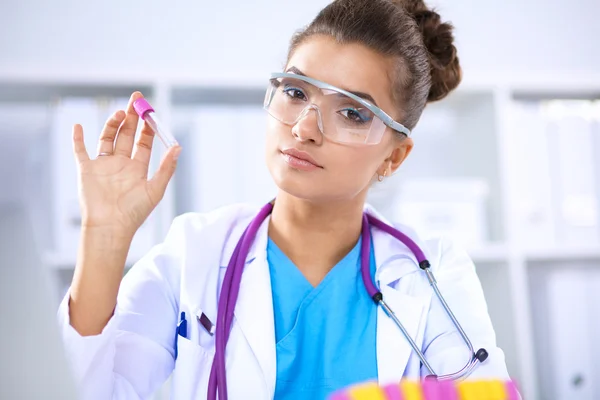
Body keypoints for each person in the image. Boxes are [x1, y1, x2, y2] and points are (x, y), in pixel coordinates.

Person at [58, 0, 511, 399]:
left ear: (393, 157)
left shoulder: (432, 271)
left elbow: (481, 395)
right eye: (295, 92)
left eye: (352, 112)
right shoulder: (194, 251)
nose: (304, 128)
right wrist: (104, 237)